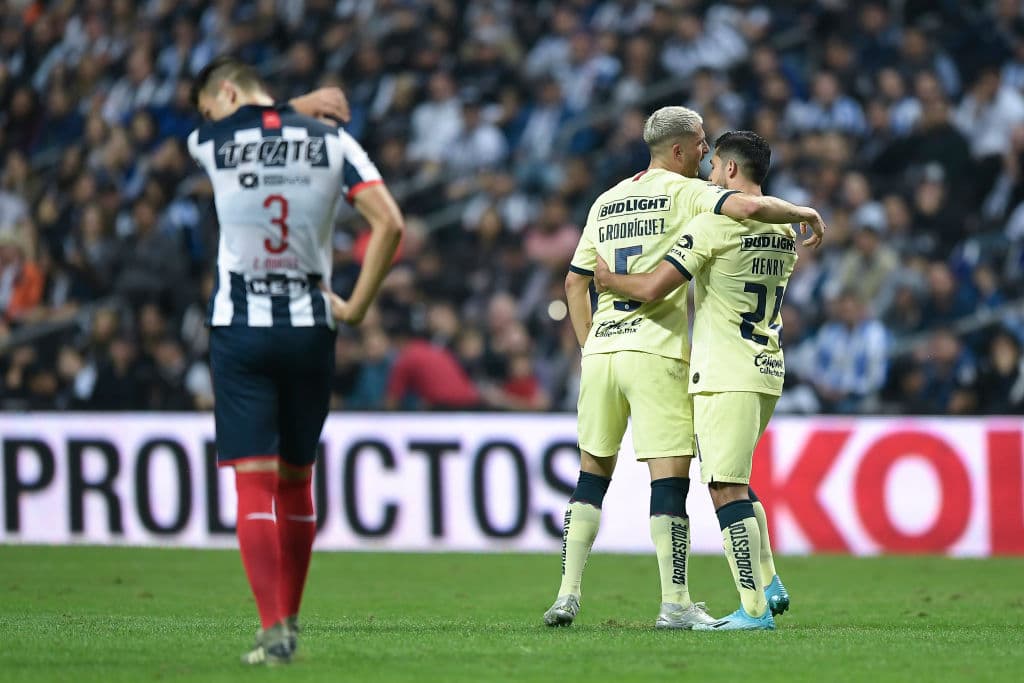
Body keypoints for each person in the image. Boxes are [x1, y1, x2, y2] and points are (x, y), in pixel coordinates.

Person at [545, 108, 823, 630]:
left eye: (713, 156)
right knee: (684, 482)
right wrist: (803, 211)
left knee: (592, 475)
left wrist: (591, 343)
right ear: (679, 151)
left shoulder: (606, 200)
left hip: (608, 351)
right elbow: (749, 206)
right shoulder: (700, 200)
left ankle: (567, 594)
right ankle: (681, 600)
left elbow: (574, 284)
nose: (705, 159)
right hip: (675, 355)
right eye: (699, 148)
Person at [188, 56, 403, 664]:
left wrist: (295, 104)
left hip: (241, 328)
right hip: (313, 325)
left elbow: (255, 122)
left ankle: (272, 628)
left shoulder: (211, 140)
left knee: (254, 484)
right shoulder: (336, 142)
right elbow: (390, 223)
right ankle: (294, 619)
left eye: (213, 105)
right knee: (296, 481)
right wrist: (357, 308)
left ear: (225, 93)